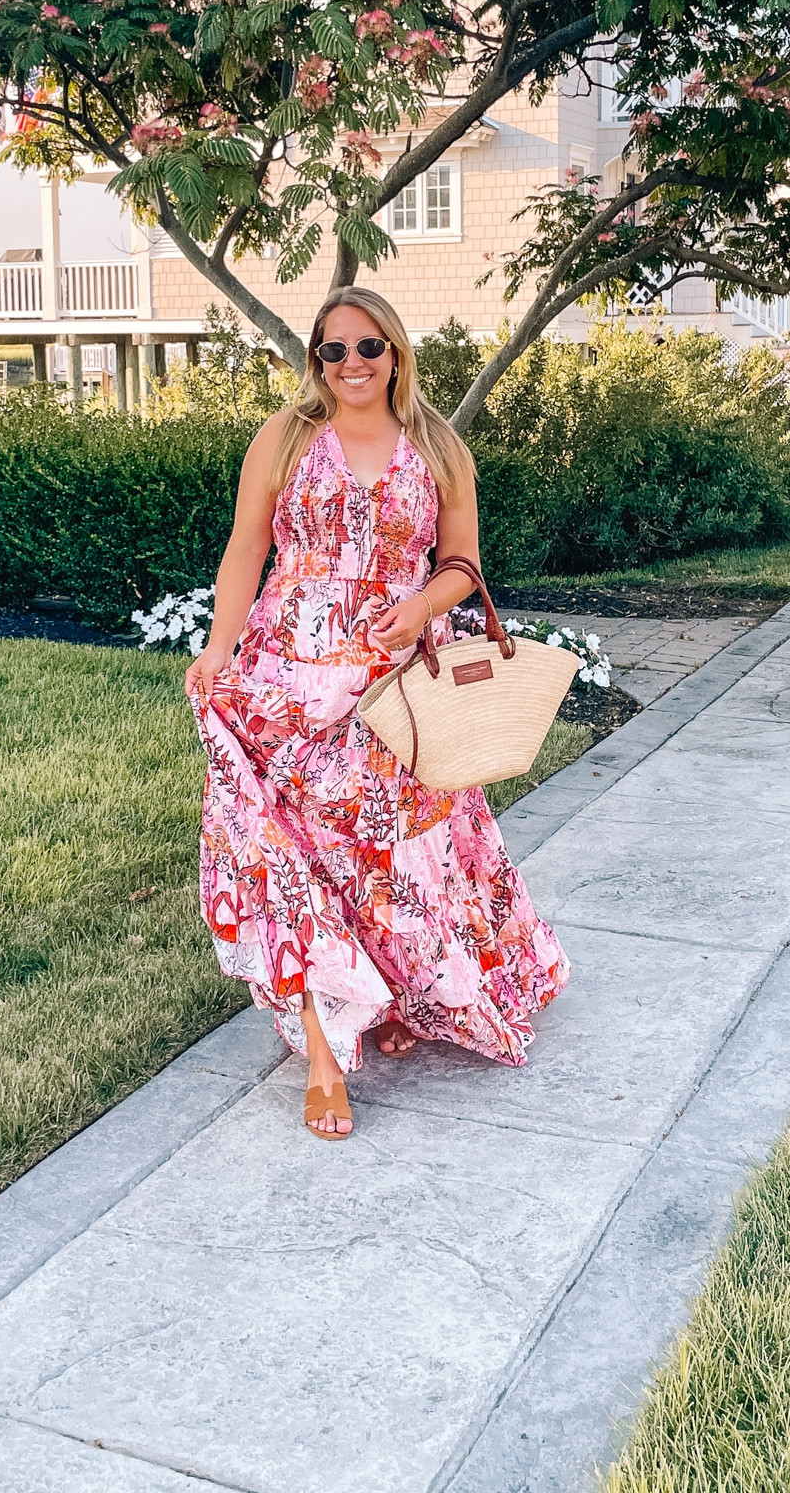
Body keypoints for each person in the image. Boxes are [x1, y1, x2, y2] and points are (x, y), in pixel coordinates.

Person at [186, 288, 570, 1140]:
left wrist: (422, 606)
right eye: (333, 351)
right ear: (315, 360)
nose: (351, 365)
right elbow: (247, 547)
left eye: (368, 348)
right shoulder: (284, 438)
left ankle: (390, 998)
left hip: (389, 685)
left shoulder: (436, 445)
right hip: (284, 679)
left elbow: (463, 562)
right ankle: (323, 1056)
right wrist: (219, 649)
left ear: (396, 353)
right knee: (287, 860)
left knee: (392, 861)